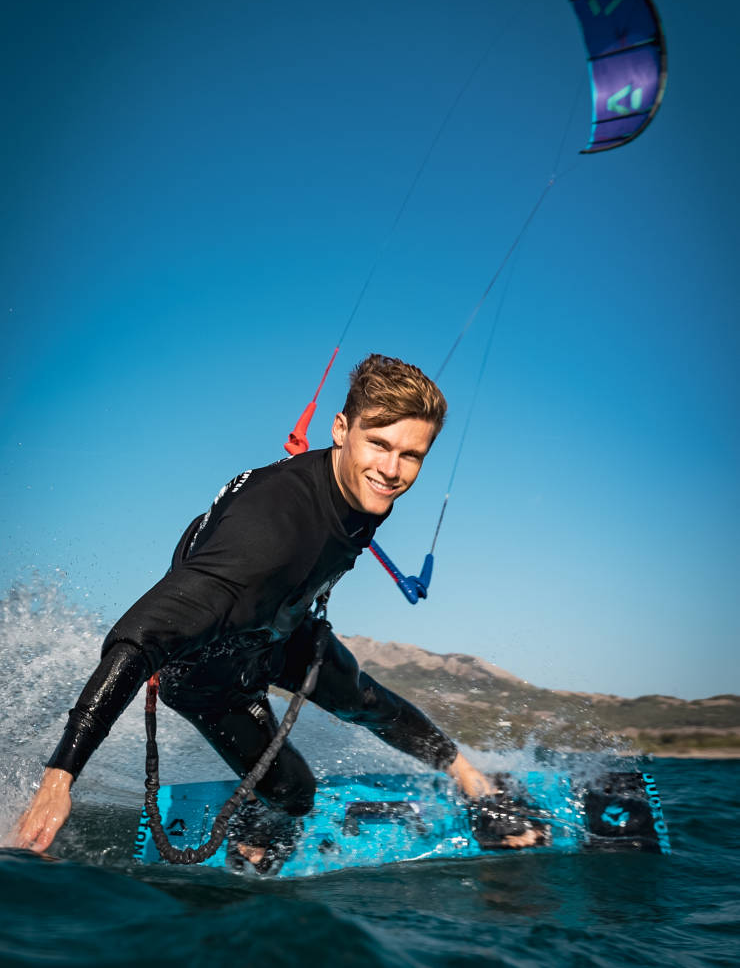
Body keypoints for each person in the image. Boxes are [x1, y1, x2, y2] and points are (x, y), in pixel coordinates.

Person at [11, 354, 510, 868]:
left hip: (281, 629)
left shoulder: (363, 489)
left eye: (411, 455)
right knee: (296, 793)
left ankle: (466, 774)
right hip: (209, 671)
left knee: (362, 696)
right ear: (341, 430)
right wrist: (60, 778)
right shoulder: (265, 537)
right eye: (379, 445)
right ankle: (253, 826)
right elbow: (138, 638)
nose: (391, 470)